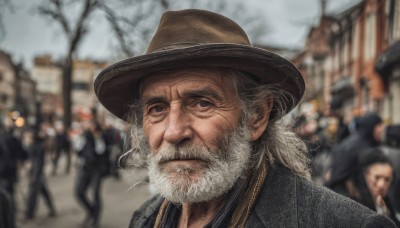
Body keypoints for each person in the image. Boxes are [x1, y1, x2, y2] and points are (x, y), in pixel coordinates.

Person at [94, 9, 396, 227]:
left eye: (201, 103)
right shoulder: (147, 219)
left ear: (257, 116)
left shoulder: (339, 223)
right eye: (157, 108)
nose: (174, 132)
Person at [325, 113, 385, 195]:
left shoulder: (355, 140)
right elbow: (342, 175)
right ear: (371, 127)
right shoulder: (361, 146)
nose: (382, 129)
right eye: (379, 125)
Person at [349, 148, 400, 227]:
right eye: (377, 177)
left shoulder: (387, 202)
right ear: (365, 175)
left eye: (387, 179)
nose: (381, 184)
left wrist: (386, 214)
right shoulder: (354, 202)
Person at [75, 121, 111, 228]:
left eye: (92, 125)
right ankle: (91, 211)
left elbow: (101, 151)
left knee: (95, 194)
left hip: (97, 170)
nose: (90, 127)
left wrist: (98, 139)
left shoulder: (101, 136)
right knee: (79, 192)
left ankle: (95, 219)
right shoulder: (85, 137)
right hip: (86, 169)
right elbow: (78, 151)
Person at [25, 124, 57, 220]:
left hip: (37, 174)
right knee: (43, 191)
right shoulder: (34, 145)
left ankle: (29, 214)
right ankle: (51, 209)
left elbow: (38, 162)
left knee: (33, 194)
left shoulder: (37, 146)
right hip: (37, 173)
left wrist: (34, 175)